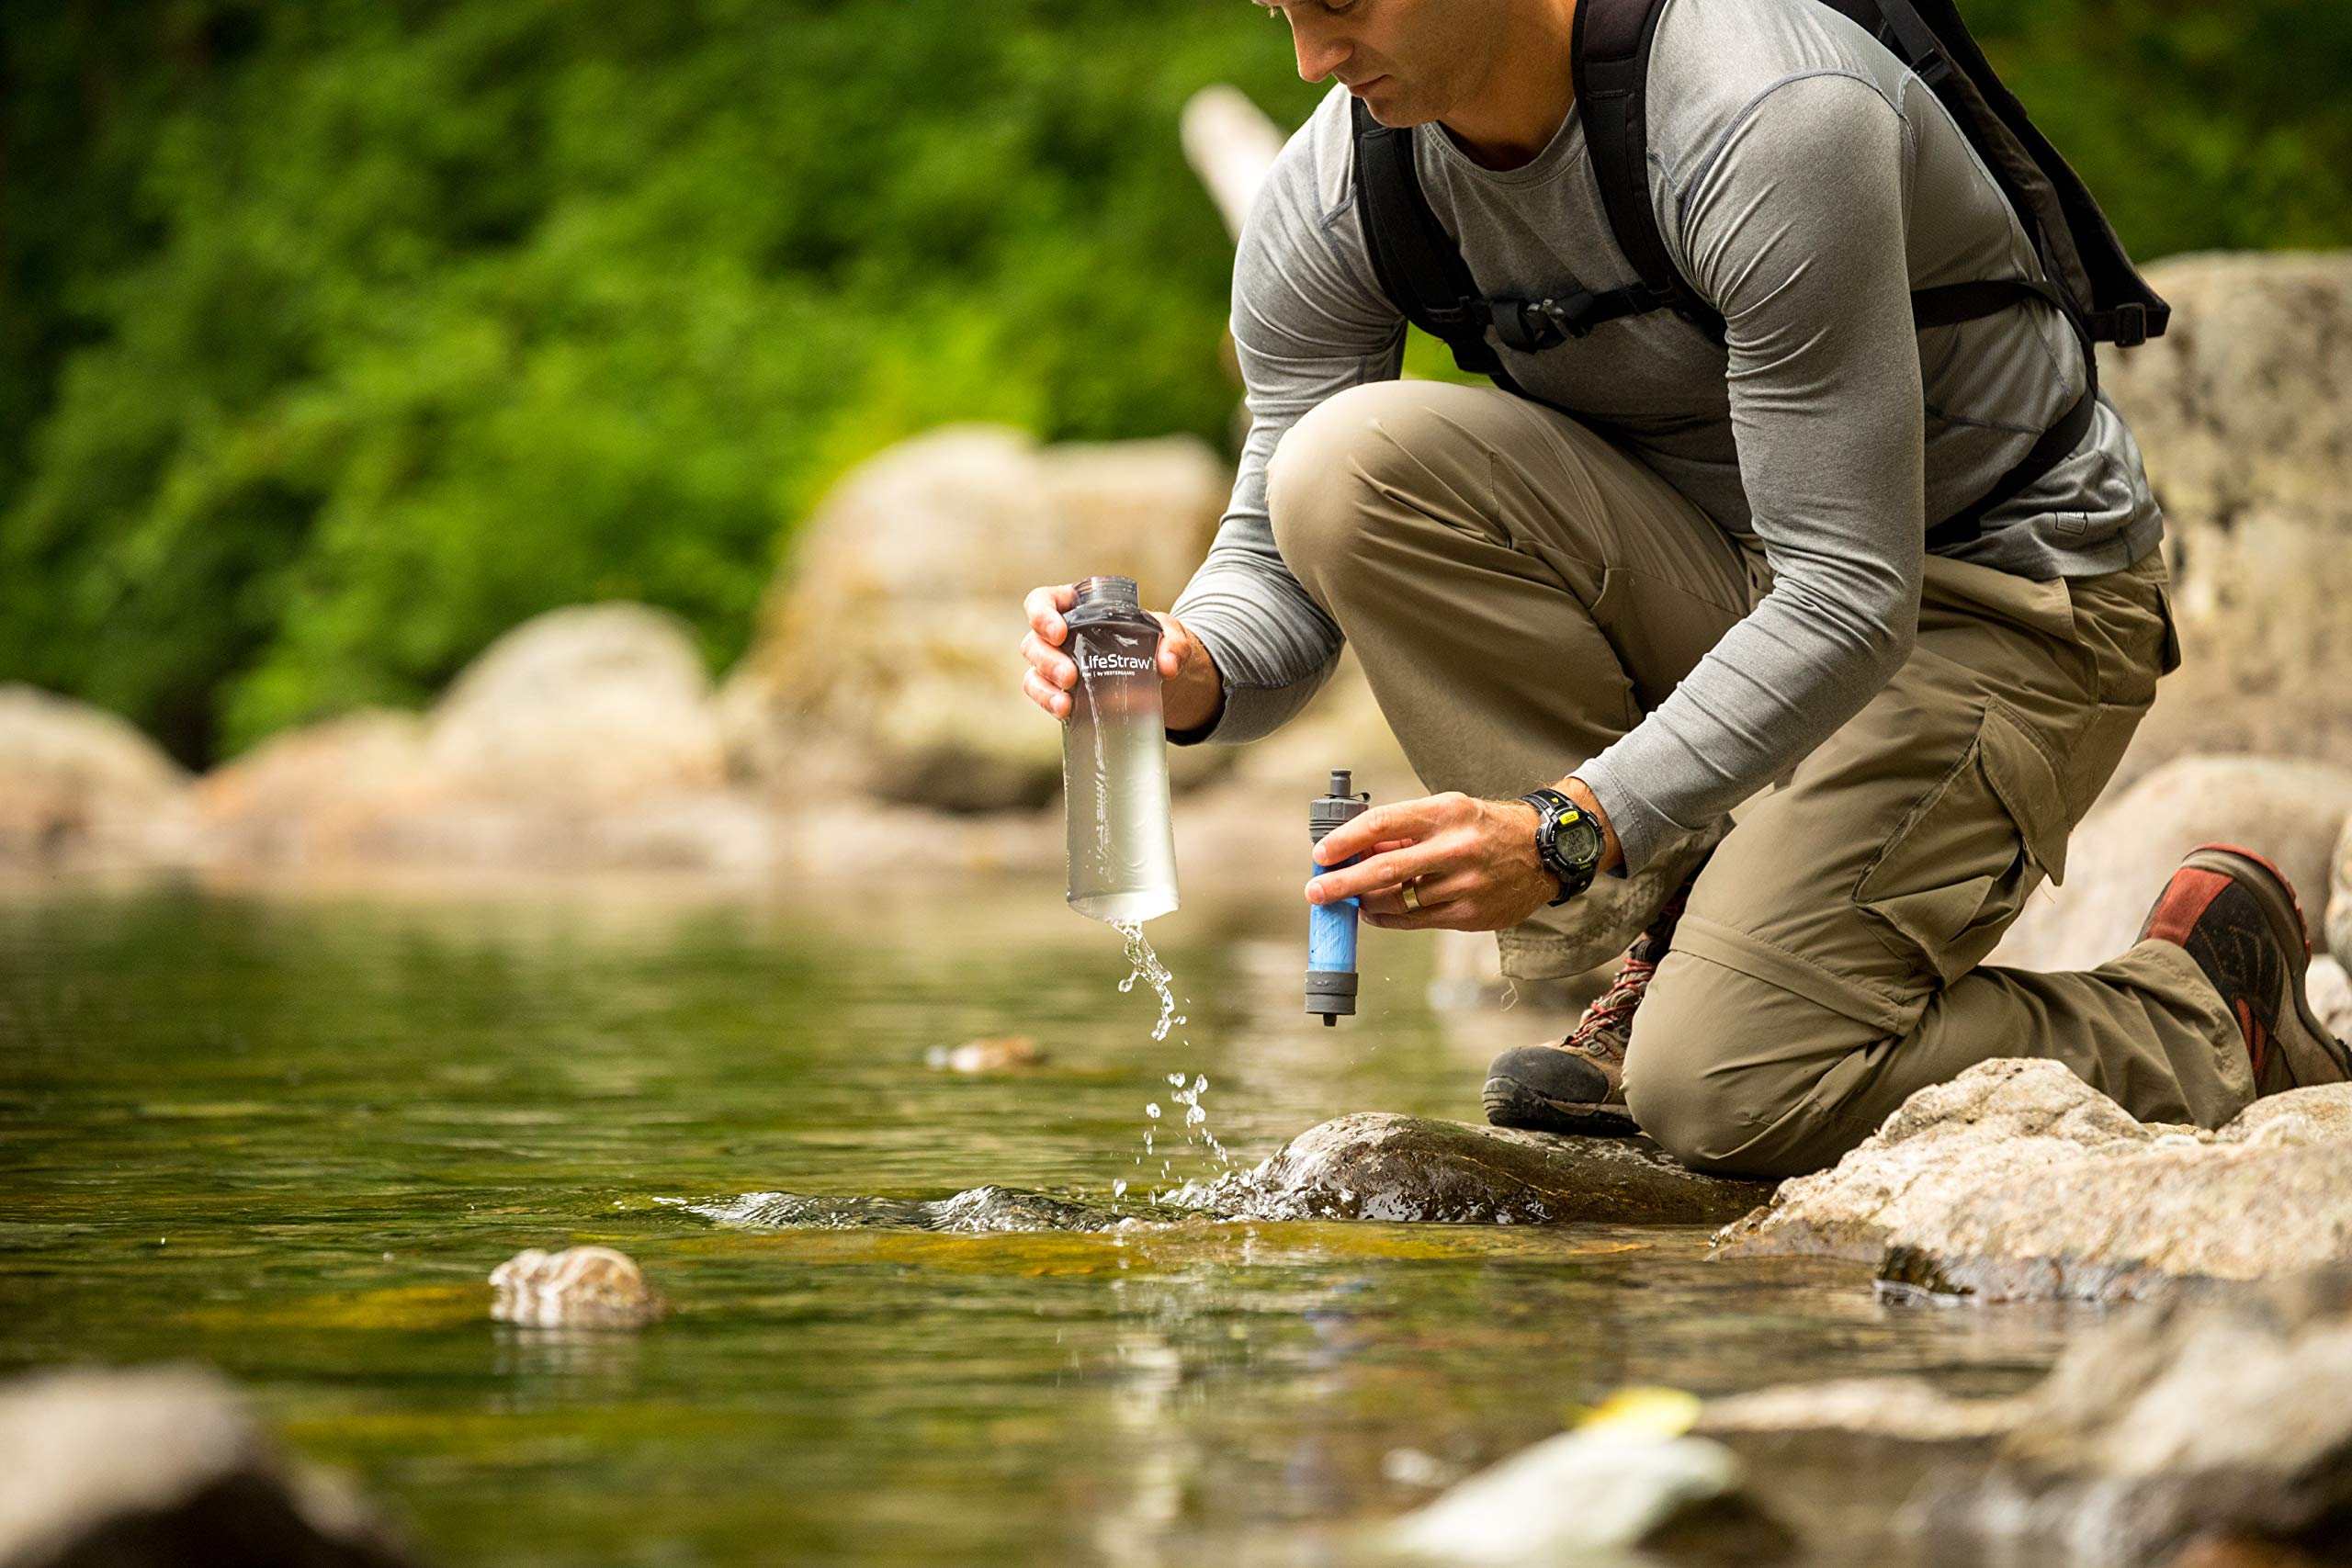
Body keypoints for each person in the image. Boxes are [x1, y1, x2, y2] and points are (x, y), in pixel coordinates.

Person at [1019, 0, 2346, 1179]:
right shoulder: (1339, 192)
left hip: (1997, 601)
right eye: (1281, 12)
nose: (1313, 56)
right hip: (1740, 587)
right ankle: (1653, 962)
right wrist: (1183, 667)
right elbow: (1276, 558)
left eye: (1342, 4)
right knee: (1342, 467)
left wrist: (1563, 828)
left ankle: (2199, 1011)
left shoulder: (1764, 112)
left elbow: (1849, 593)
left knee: (1725, 1096)